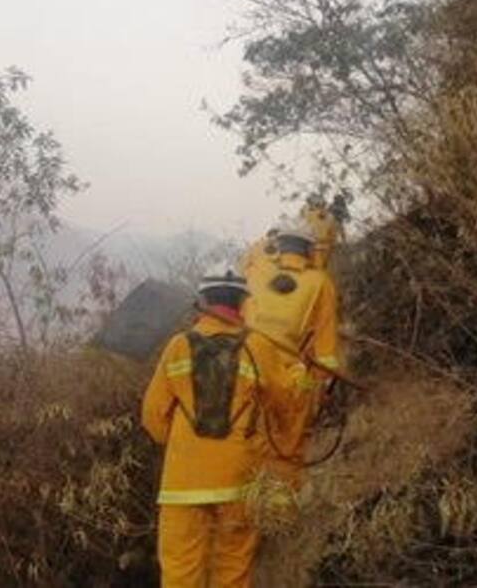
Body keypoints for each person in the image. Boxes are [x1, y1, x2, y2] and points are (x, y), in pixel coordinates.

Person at [141, 272, 281, 588]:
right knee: (232, 570)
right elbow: (285, 405)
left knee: (180, 574)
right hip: (238, 482)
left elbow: (152, 415)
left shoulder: (178, 347)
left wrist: (181, 446)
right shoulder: (258, 347)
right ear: (243, 303)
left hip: (182, 483)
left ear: (203, 303)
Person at [244, 223, 343, 502]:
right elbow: (325, 348)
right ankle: (279, 507)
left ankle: (248, 501)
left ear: (278, 247)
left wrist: (265, 240)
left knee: (250, 436)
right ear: (310, 251)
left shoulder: (257, 273)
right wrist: (321, 387)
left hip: (247, 367)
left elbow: (248, 260)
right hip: (292, 375)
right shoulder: (320, 282)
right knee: (289, 441)